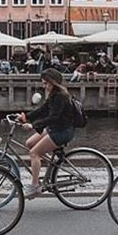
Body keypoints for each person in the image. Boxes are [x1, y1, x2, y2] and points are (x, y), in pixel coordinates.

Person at [17, 68, 75, 199]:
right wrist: (25, 116)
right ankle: (51, 164)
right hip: (54, 128)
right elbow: (43, 110)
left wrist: (33, 125)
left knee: (34, 153)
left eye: (45, 83)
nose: (44, 86)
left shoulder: (61, 96)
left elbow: (54, 117)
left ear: (54, 83)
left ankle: (35, 186)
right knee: (29, 143)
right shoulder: (54, 95)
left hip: (63, 131)